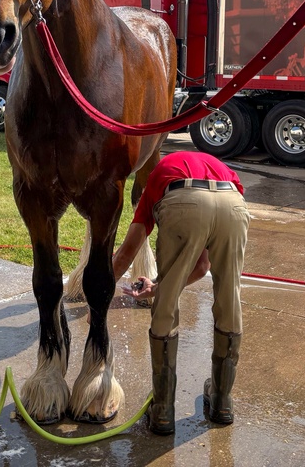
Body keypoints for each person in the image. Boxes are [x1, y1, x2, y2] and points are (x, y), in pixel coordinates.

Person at [112, 150, 251, 435]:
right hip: (233, 203)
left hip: (183, 202)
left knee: (166, 308)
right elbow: (201, 267)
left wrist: (98, 302)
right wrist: (155, 287)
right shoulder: (214, 167)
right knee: (229, 297)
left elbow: (127, 253)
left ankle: (163, 411)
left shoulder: (157, 179)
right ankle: (222, 402)